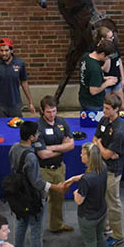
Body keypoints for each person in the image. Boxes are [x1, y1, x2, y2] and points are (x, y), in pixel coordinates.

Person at [9, 120, 64, 247]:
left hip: (18, 194)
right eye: (37, 134)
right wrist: (55, 187)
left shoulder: (14, 148)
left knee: (21, 221)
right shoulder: (32, 158)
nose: (39, 135)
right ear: (32, 137)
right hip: (31, 197)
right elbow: (38, 183)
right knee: (36, 230)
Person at [33, 95, 76, 233]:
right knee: (39, 201)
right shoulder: (38, 127)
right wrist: (61, 148)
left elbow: (71, 145)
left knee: (58, 199)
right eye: (48, 112)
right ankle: (36, 231)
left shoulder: (62, 122)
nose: (52, 115)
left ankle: (56, 225)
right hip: (43, 170)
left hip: (59, 169)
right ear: (42, 110)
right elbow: (42, 154)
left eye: (54, 111)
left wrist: (51, 148)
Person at [72, 143, 109, 247]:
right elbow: (89, 176)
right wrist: (77, 178)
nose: (80, 155)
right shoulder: (103, 167)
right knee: (100, 238)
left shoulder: (86, 180)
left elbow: (79, 201)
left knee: (90, 245)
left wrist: (76, 192)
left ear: (90, 157)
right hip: (101, 212)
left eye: (83, 153)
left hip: (87, 216)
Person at [94, 96, 124, 247]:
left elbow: (107, 153)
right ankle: (106, 227)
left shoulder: (119, 131)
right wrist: (103, 148)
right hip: (101, 167)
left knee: (113, 202)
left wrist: (100, 146)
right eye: (104, 107)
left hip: (112, 171)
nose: (104, 110)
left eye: (108, 108)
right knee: (102, 199)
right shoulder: (104, 120)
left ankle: (118, 235)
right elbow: (95, 138)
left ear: (116, 109)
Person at [0, 37, 35, 118]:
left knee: (16, 128)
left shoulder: (20, 63)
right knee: (0, 128)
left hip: (15, 104)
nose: (4, 53)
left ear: (11, 50)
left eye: (6, 50)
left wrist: (30, 102)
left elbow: (24, 82)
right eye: (1, 51)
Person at [79, 39, 118, 115]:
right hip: (93, 103)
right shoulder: (95, 69)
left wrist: (104, 78)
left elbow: (87, 76)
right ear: (103, 54)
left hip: (83, 97)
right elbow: (93, 91)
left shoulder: (85, 57)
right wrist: (107, 83)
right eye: (107, 57)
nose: (107, 59)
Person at [95, 26, 124, 109]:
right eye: (110, 37)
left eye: (112, 36)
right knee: (108, 107)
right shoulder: (98, 52)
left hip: (117, 81)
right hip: (106, 84)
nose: (112, 39)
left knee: (121, 106)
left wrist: (123, 79)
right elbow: (106, 69)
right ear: (102, 39)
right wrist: (108, 57)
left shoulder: (114, 46)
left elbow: (119, 62)